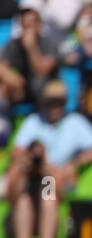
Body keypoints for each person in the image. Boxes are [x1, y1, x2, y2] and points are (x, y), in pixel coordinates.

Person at [5, 77, 92, 238]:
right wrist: (30, 157)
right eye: (51, 102)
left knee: (48, 196)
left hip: (52, 178)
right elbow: (17, 150)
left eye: (58, 102)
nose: (54, 107)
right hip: (30, 179)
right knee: (23, 201)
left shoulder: (75, 123)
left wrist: (74, 163)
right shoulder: (34, 121)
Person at [0, 2, 58, 141]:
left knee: (41, 83)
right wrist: (14, 80)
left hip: (44, 90)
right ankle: (3, 128)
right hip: (19, 91)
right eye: (25, 25)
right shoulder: (13, 44)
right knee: (4, 85)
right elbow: (2, 66)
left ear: (39, 24)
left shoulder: (49, 43)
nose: (28, 30)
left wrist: (31, 48)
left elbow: (42, 71)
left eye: (31, 25)